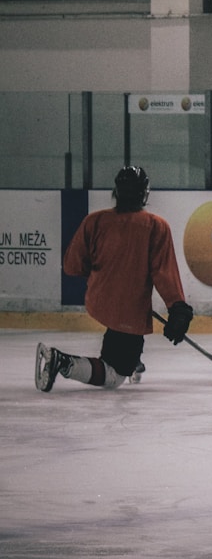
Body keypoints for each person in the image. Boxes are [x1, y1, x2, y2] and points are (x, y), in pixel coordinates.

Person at [38, 166, 193, 392]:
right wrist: (177, 307)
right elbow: (163, 272)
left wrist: (105, 275)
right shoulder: (155, 226)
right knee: (115, 375)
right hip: (127, 310)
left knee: (121, 338)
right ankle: (63, 362)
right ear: (145, 193)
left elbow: (72, 266)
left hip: (98, 300)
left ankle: (133, 358)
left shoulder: (95, 221)